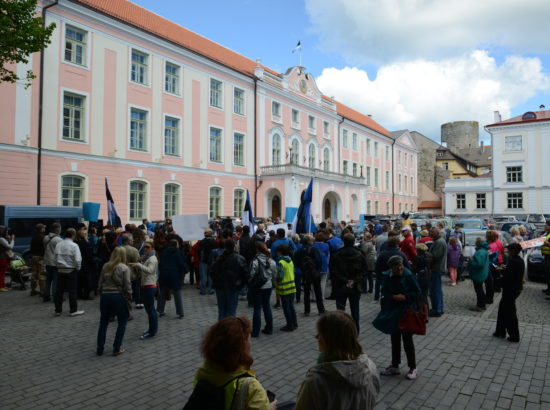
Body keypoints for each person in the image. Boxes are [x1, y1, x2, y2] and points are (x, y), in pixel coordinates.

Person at [185, 317, 275, 410]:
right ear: (242, 346)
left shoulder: (204, 370)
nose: (250, 343)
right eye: (248, 339)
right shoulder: (250, 386)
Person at [295, 311, 380, 410]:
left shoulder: (316, 381)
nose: (316, 337)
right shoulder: (371, 367)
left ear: (330, 340)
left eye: (320, 333)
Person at [379, 255, 421, 380]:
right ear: (391, 267)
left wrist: (405, 297)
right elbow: (384, 291)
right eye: (396, 266)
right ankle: (395, 366)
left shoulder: (408, 275)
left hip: (406, 311)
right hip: (393, 310)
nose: (400, 268)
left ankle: (413, 367)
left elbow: (417, 292)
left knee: (407, 339)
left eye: (401, 265)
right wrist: (392, 297)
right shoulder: (388, 275)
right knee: (395, 338)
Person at [96, 247, 132, 356]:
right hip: (118, 296)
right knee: (122, 321)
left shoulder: (106, 266)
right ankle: (116, 347)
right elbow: (127, 284)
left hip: (105, 296)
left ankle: (100, 348)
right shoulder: (124, 268)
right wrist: (129, 294)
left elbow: (100, 282)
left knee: (103, 322)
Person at [330, 233, 367, 332]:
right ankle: (355, 330)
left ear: (344, 241)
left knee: (340, 310)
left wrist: (345, 280)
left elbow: (333, 271)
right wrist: (354, 280)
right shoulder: (360, 254)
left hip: (341, 285)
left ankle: (341, 331)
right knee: (355, 309)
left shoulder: (337, 254)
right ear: (354, 241)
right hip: (355, 285)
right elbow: (364, 271)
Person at [211, 239, 249, 320]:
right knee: (231, 311)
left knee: (222, 311)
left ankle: (222, 329)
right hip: (232, 288)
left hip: (221, 287)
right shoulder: (239, 258)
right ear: (234, 246)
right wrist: (241, 284)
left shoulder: (219, 258)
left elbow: (212, 272)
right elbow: (245, 274)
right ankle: (228, 330)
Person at [494, 243, 524, 342]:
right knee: (503, 310)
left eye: (509, 250)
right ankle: (500, 332)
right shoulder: (518, 260)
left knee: (509, 313)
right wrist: (505, 269)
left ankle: (514, 336)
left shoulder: (513, 261)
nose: (508, 252)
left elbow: (508, 277)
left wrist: (500, 272)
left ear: (514, 251)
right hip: (515, 288)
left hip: (511, 289)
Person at [130, 240, 159, 339]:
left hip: (149, 286)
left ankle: (152, 331)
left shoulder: (152, 259)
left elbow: (150, 271)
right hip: (147, 285)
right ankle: (151, 330)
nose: (145, 249)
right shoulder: (149, 257)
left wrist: (138, 265)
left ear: (152, 248)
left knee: (150, 310)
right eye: (145, 247)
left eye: (148, 247)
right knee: (149, 309)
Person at [54, 228, 84, 317]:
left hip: (60, 270)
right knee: (72, 291)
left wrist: (58, 266)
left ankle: (58, 310)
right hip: (71, 270)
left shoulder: (58, 245)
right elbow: (78, 260)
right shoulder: (74, 246)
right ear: (73, 235)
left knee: (59, 291)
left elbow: (55, 257)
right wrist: (78, 268)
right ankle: (73, 310)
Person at [248, 242, 276, 337]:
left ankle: (255, 332)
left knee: (257, 309)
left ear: (257, 250)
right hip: (268, 286)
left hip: (258, 287)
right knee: (267, 307)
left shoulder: (255, 261)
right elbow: (274, 274)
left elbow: (251, 274)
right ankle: (269, 328)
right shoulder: (271, 261)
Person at [294, 235, 325, 317]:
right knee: (318, 291)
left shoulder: (299, 250)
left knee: (306, 293)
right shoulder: (314, 249)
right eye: (312, 240)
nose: (313, 241)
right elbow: (319, 261)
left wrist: (302, 268)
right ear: (308, 241)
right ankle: (321, 310)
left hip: (305, 274)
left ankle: (307, 310)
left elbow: (295, 262)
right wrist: (317, 269)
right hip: (315, 274)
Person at [374, 236, 411, 303]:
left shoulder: (382, 254)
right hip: (399, 279)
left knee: (386, 295)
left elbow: (377, 268)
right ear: (397, 244)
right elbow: (407, 268)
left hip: (385, 279)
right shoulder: (401, 254)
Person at [157, 239, 187, 318]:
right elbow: (181, 264)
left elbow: (160, 263)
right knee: (177, 293)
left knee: (163, 292)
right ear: (176, 244)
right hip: (174, 274)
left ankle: (160, 310)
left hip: (164, 274)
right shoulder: (178, 252)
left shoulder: (164, 252)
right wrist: (185, 270)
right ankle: (180, 312)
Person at [275, 244, 298, 331]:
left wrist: (275, 279)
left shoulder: (281, 262)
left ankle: (289, 325)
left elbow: (280, 276)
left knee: (286, 307)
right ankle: (294, 323)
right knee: (291, 306)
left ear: (280, 252)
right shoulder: (290, 261)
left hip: (284, 288)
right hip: (292, 286)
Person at [427, 227, 446, 317]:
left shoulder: (439, 242)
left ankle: (437, 310)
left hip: (436, 269)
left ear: (437, 233)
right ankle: (439, 308)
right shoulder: (438, 241)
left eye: (432, 232)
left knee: (435, 290)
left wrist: (425, 253)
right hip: (436, 268)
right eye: (430, 232)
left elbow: (435, 256)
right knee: (436, 290)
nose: (430, 233)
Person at [468, 239, 490, 312]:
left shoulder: (480, 252)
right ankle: (481, 304)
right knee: (479, 289)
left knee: (479, 290)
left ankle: (480, 305)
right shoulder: (483, 250)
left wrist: (471, 261)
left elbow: (479, 264)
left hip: (478, 273)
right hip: (481, 273)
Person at [43, 223, 63, 301]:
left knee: (48, 280)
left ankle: (46, 296)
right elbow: (60, 252)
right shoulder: (59, 239)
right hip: (55, 263)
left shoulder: (45, 238)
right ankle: (55, 297)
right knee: (55, 280)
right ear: (58, 229)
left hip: (47, 261)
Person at [75, 223, 95, 300]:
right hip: (85, 264)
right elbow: (89, 254)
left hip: (78, 264)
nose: (85, 231)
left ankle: (79, 294)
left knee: (79, 280)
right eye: (84, 229)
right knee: (87, 280)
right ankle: (86, 295)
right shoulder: (84, 243)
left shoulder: (75, 242)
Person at [121, 233, 142, 308]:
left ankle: (125, 303)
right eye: (132, 239)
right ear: (129, 241)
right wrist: (140, 273)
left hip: (121, 273)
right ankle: (138, 302)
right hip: (132, 273)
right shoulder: (133, 250)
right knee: (136, 287)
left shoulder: (118, 249)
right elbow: (136, 263)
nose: (133, 241)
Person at [411, 243, 432, 320]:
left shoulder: (418, 258)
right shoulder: (429, 256)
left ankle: (420, 314)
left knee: (419, 297)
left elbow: (414, 269)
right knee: (425, 296)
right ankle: (426, 316)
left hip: (420, 278)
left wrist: (410, 265)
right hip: (427, 277)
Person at [29, 223, 46, 296]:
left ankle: (33, 290)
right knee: (41, 274)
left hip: (33, 257)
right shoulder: (43, 237)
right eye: (43, 228)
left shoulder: (33, 237)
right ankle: (42, 292)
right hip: (40, 257)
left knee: (34, 273)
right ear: (41, 229)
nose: (44, 229)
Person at [198, 230, 216, 295]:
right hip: (212, 261)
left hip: (203, 261)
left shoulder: (202, 241)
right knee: (210, 276)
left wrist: (201, 259)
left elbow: (200, 251)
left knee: (203, 276)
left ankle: (203, 290)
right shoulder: (214, 241)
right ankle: (210, 290)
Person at [0, 226, 15, 292]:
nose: (7, 233)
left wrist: (9, 239)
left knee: (2, 273)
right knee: (2, 273)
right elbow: (9, 247)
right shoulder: (1, 239)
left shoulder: (2, 238)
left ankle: (3, 285)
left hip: (3, 257)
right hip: (2, 257)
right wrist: (12, 240)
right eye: (6, 231)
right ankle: (1, 286)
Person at [542, 221, 550, 296]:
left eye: (546, 225)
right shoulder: (546, 233)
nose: (545, 226)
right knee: (547, 273)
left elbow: (547, 243)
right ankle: (548, 288)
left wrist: (547, 243)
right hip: (546, 256)